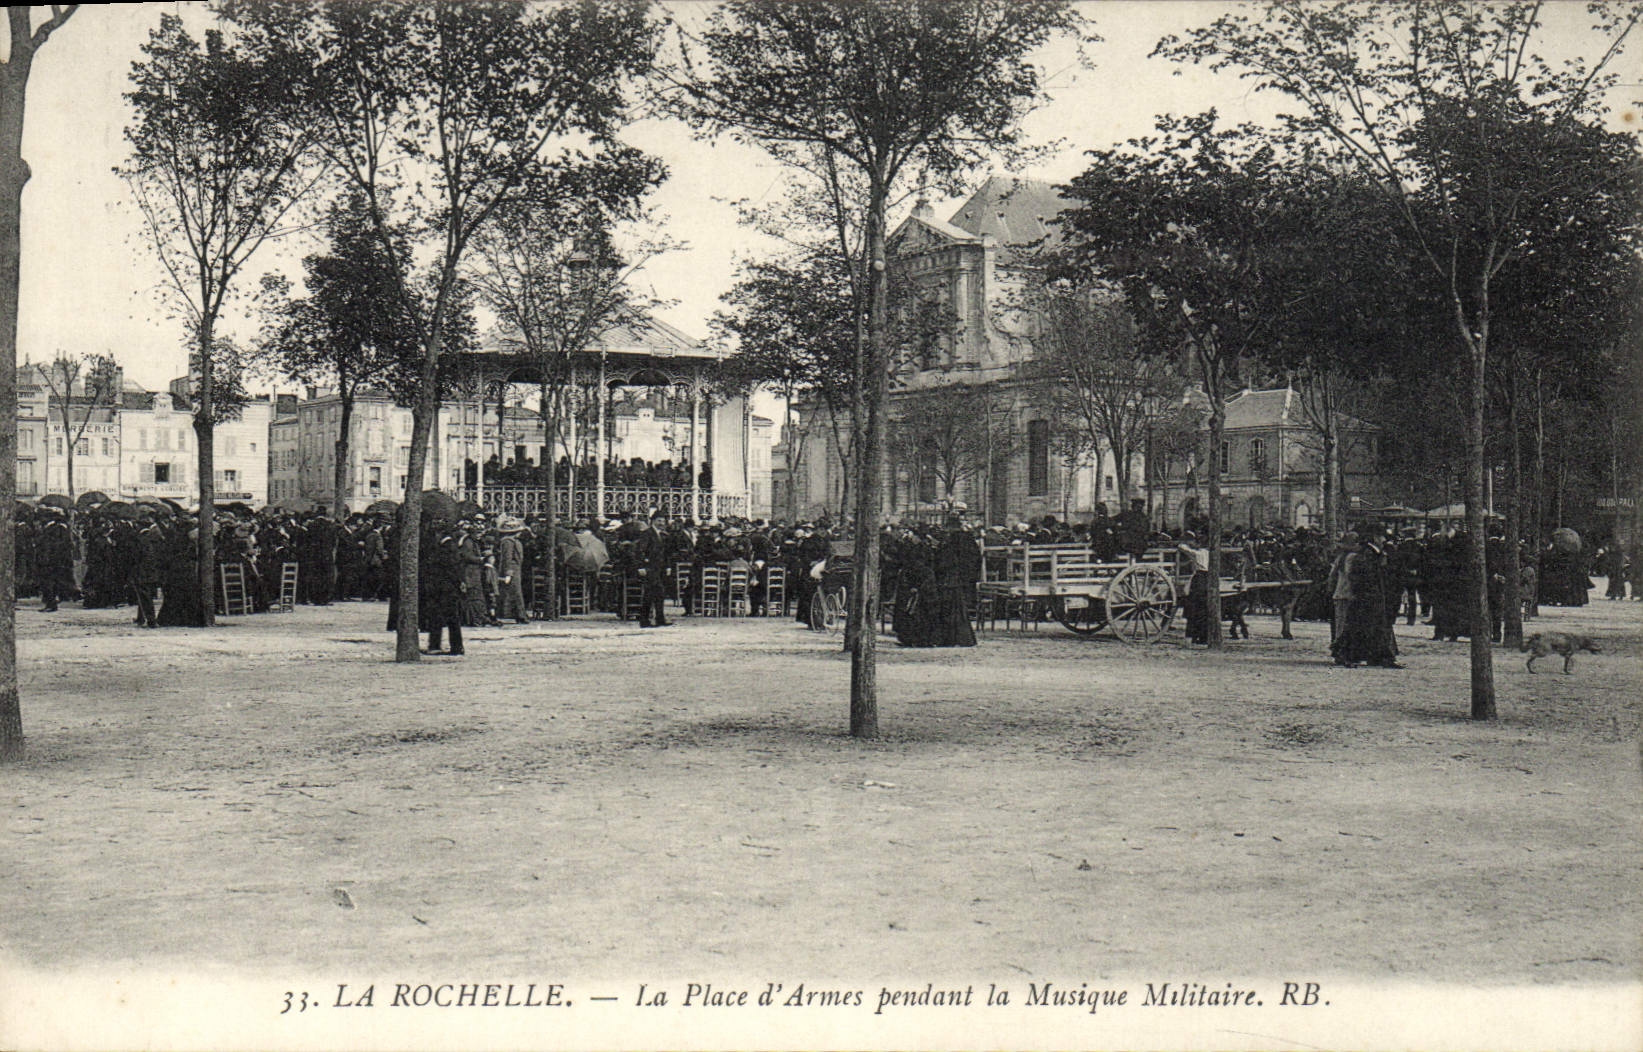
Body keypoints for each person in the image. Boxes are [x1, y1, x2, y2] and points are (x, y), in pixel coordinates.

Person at [1331, 533, 1402, 668]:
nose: (1384, 540)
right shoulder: (1366, 555)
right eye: (1382, 537)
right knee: (1360, 627)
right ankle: (1352, 656)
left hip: (1362, 596)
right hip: (1365, 597)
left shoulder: (1367, 554)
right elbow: (1361, 577)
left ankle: (1372, 656)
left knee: (1363, 627)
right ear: (1375, 538)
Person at [634, 510, 672, 627]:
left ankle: (658, 618)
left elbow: (665, 553)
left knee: (659, 593)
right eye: (659, 521)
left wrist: (668, 566)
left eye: (663, 521)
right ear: (653, 521)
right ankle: (645, 619)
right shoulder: (647, 534)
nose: (661, 523)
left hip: (659, 568)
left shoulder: (662, 535)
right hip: (649, 568)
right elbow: (640, 551)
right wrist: (641, 566)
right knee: (650, 594)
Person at [494, 517, 529, 624]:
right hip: (512, 569)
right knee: (515, 592)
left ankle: (519, 614)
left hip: (516, 568)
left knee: (515, 592)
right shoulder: (507, 542)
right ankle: (520, 615)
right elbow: (507, 558)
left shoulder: (513, 541)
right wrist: (508, 572)